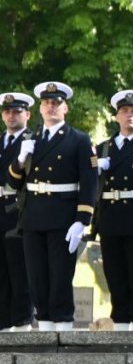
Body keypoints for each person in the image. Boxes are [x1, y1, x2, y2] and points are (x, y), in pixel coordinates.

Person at [5, 82, 97, 331]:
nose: (50, 108)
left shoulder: (78, 139)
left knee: (60, 279)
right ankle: (45, 332)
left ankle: (63, 332)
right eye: (46, 104)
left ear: (65, 108)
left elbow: (89, 183)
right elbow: (14, 181)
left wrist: (82, 220)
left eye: (55, 103)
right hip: (34, 217)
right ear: (41, 109)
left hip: (63, 217)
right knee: (37, 279)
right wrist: (21, 159)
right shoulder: (32, 139)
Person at [96, 90, 133, 331]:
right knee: (115, 276)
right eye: (124, 111)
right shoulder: (103, 148)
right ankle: (120, 327)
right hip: (110, 218)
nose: (129, 116)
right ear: (116, 116)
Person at [0, 92, 35, 332]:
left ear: (28, 114)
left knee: (20, 271)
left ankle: (22, 325)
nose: (12, 116)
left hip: (20, 211)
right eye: (7, 111)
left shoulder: (34, 141)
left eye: (17, 111)